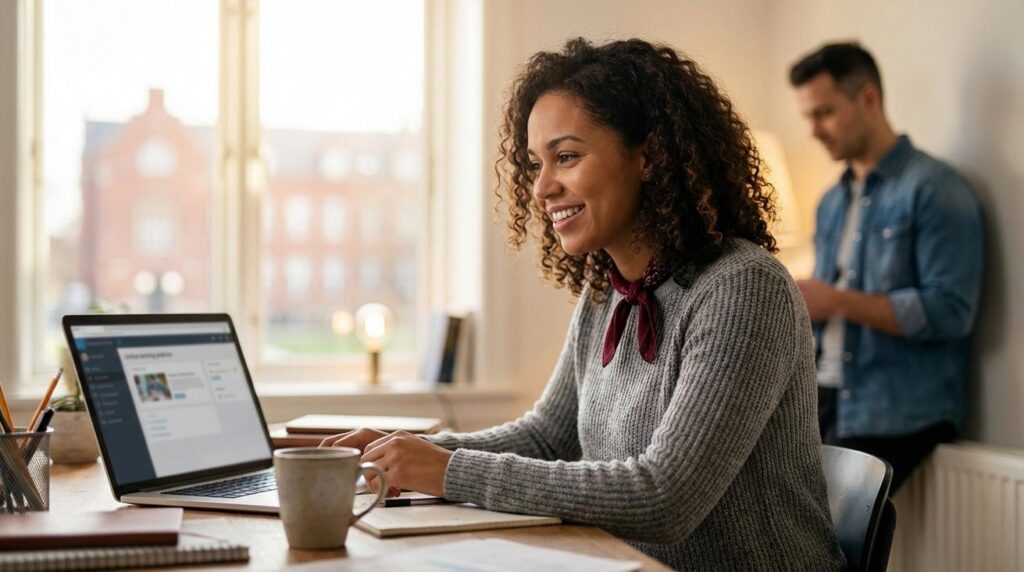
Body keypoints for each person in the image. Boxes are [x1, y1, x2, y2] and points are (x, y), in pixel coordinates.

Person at [323, 38, 844, 570]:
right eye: (535, 164)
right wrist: (405, 452)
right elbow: (547, 437)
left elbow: (664, 497)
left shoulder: (743, 288)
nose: (542, 188)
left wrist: (447, 471)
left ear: (650, 156)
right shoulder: (607, 292)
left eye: (566, 157)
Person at [789, 42, 984, 491]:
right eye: (808, 118)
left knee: (821, 541)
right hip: (825, 396)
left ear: (869, 100)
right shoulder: (831, 201)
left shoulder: (935, 189)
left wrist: (835, 301)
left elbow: (951, 311)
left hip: (896, 409)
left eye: (824, 113)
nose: (814, 130)